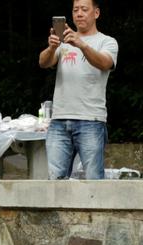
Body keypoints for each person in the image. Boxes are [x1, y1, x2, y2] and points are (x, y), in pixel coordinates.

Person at [38, 0, 118, 179]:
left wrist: (81, 44)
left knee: (93, 180)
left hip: (91, 120)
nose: (79, 14)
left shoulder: (107, 42)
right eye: (75, 10)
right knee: (55, 181)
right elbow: (43, 62)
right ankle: (58, 209)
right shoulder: (63, 42)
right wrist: (52, 47)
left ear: (96, 13)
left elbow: (105, 63)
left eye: (84, 9)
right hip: (59, 120)